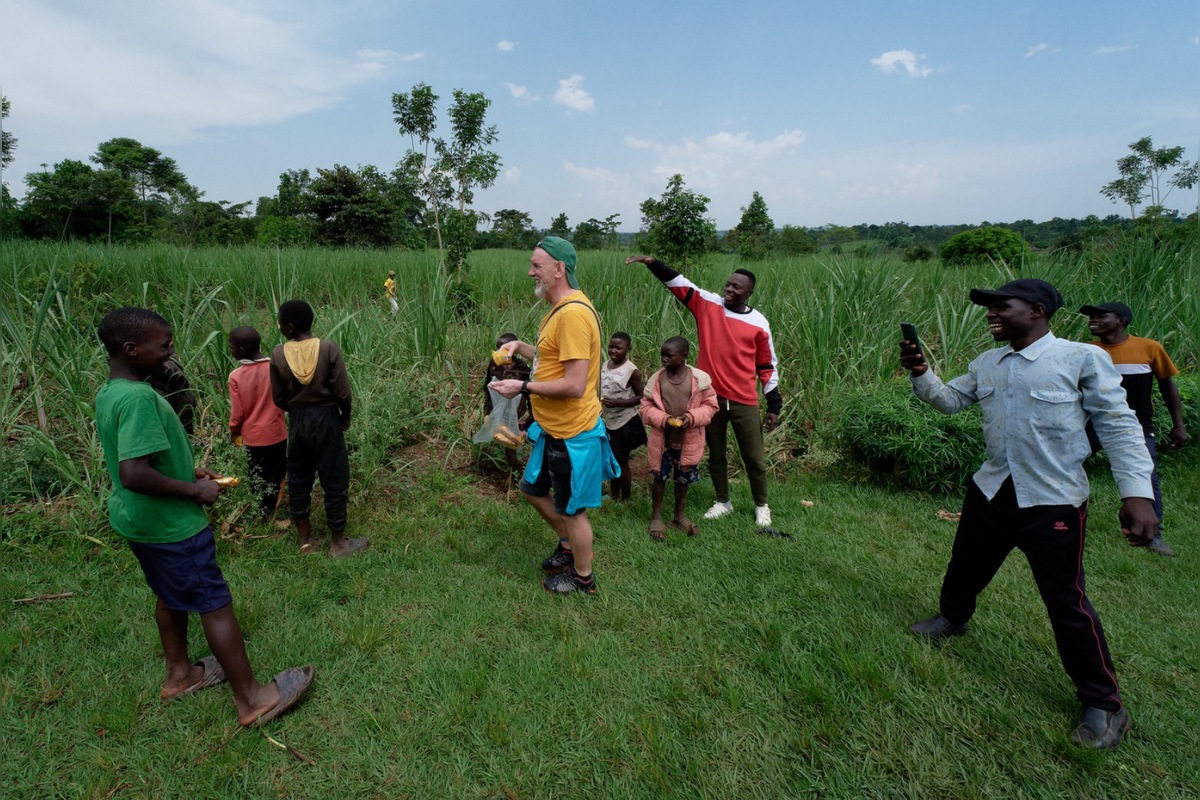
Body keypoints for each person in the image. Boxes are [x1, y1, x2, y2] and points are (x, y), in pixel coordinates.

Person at [899, 279, 1158, 750]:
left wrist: (1138, 494)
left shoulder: (1081, 358)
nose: (991, 314)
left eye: (1002, 306)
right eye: (989, 307)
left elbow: (1119, 426)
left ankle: (1105, 704)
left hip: (1053, 499)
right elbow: (950, 401)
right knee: (966, 565)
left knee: (1066, 601)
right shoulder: (988, 362)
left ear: (1037, 310)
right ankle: (953, 618)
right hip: (992, 489)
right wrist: (921, 372)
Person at [95, 307, 314, 727]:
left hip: (140, 522)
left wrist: (185, 471)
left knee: (168, 594)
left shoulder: (112, 393)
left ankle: (180, 675)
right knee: (216, 606)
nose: (170, 352)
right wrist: (195, 491)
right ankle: (252, 699)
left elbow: (137, 459)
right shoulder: (140, 398)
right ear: (131, 348)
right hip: (172, 526)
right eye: (163, 345)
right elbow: (134, 473)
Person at [491, 236, 616, 595]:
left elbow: (576, 384)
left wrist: (523, 389)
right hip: (552, 429)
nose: (530, 272)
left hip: (573, 432)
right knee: (532, 490)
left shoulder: (574, 315)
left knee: (573, 509)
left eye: (537, 266)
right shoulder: (559, 310)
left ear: (559, 269)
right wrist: (519, 347)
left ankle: (583, 579)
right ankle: (566, 545)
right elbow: (550, 360)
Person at [625, 255, 782, 528]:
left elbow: (767, 364)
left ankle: (761, 505)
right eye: (728, 284)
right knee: (715, 453)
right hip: (710, 399)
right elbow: (678, 283)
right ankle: (723, 501)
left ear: (749, 292)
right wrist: (652, 262)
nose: (729, 290)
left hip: (744, 399)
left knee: (754, 457)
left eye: (736, 287)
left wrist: (773, 404)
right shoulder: (708, 305)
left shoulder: (759, 322)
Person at [1081, 301, 1188, 557]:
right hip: (1089, 425)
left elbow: (1167, 388)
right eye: (1091, 316)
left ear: (1121, 320)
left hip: (1137, 426)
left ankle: (1153, 536)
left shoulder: (1149, 348)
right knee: (1061, 467)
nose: (1093, 320)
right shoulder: (1085, 351)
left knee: (1145, 477)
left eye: (1100, 315)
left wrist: (1178, 425)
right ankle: (1060, 524)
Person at [269, 299, 369, 557]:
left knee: (299, 478)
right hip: (327, 419)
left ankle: (305, 541)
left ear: (289, 328)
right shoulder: (328, 349)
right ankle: (338, 542)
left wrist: (297, 410)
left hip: (299, 422)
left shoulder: (279, 354)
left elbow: (278, 398)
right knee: (334, 478)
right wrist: (344, 417)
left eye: (281, 324)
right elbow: (343, 393)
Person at [639, 336, 718, 540]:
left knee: (682, 480)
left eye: (669, 356)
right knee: (659, 477)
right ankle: (656, 517)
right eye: (662, 355)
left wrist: (690, 418)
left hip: (688, 442)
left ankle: (678, 517)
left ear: (684, 356)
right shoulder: (657, 379)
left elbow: (711, 406)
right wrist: (663, 419)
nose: (664, 359)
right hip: (662, 442)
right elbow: (645, 407)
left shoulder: (700, 380)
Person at [227, 325, 288, 523]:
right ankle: (271, 511)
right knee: (277, 473)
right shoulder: (275, 367)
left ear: (242, 351)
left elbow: (238, 413)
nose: (231, 351)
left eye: (232, 347)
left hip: (253, 437)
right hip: (277, 433)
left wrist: (234, 432)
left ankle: (261, 513)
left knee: (257, 474)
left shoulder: (236, 377)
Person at [600, 331, 646, 501]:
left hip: (625, 422)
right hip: (609, 421)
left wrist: (619, 403)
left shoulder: (631, 371)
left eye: (618, 348)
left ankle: (625, 498)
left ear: (628, 349)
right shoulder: (606, 364)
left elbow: (641, 396)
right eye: (611, 346)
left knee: (622, 460)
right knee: (612, 458)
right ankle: (613, 495)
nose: (613, 350)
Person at [483, 332, 532, 472]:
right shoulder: (494, 365)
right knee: (509, 445)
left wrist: (532, 416)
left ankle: (529, 472)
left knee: (526, 439)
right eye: (498, 348)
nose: (500, 351)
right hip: (501, 411)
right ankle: (514, 473)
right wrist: (487, 412)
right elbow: (487, 388)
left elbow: (531, 390)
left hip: (520, 413)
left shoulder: (522, 367)